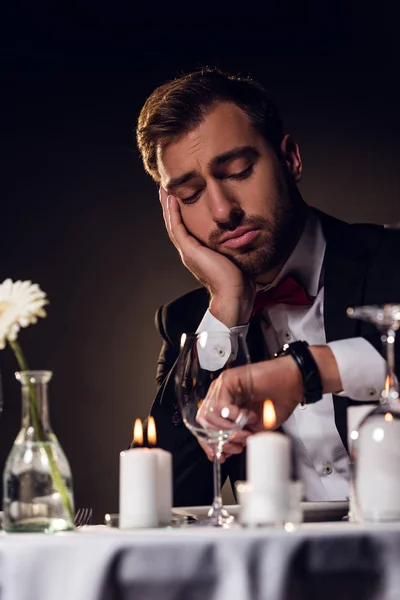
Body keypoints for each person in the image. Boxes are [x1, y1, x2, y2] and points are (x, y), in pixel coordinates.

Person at [136, 68, 400, 506]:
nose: (222, 211)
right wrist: (227, 307)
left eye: (238, 171)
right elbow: (162, 501)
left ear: (290, 159)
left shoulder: (393, 257)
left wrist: (304, 371)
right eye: (190, 195)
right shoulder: (189, 323)